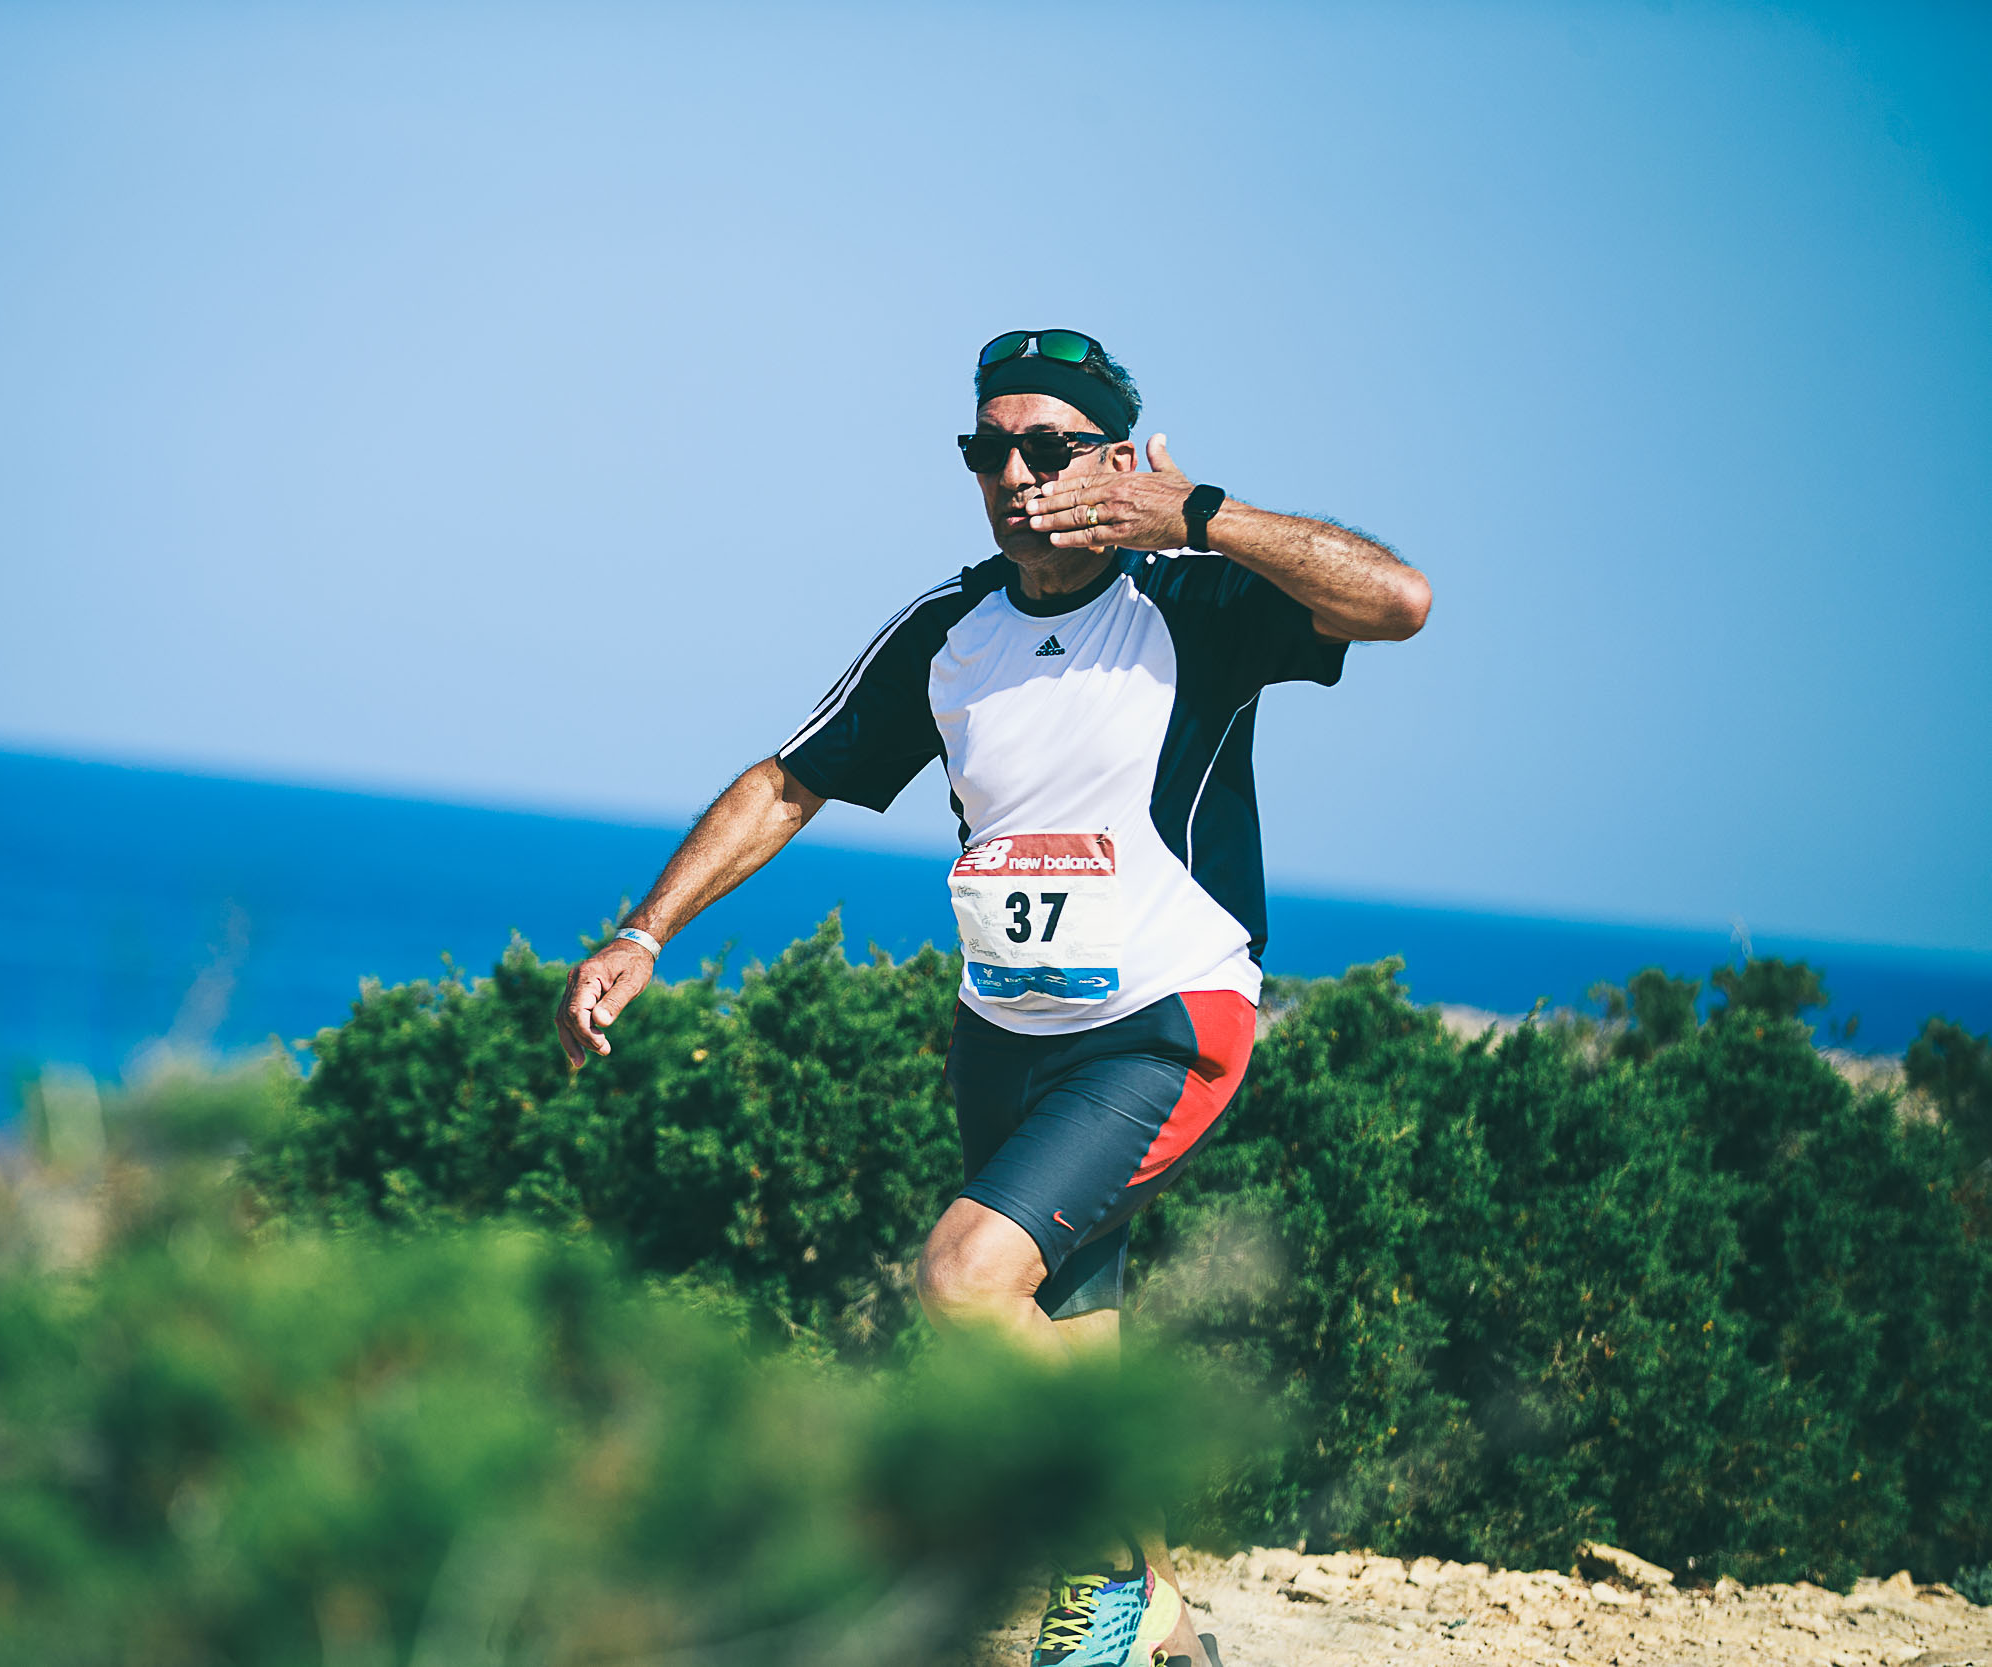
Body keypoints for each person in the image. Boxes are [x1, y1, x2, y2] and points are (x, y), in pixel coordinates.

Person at [552, 328, 1430, 1667]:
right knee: (1067, 1334)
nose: (1014, 474)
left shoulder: (1200, 603)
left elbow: (1398, 599)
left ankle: (1112, 1578)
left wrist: (1200, 514)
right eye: (988, 449)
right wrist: (644, 932)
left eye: (1048, 447)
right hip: (1005, 1033)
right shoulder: (948, 630)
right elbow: (788, 781)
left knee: (966, 1279)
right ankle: (1163, 1624)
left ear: (1115, 459)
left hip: (1164, 1021)